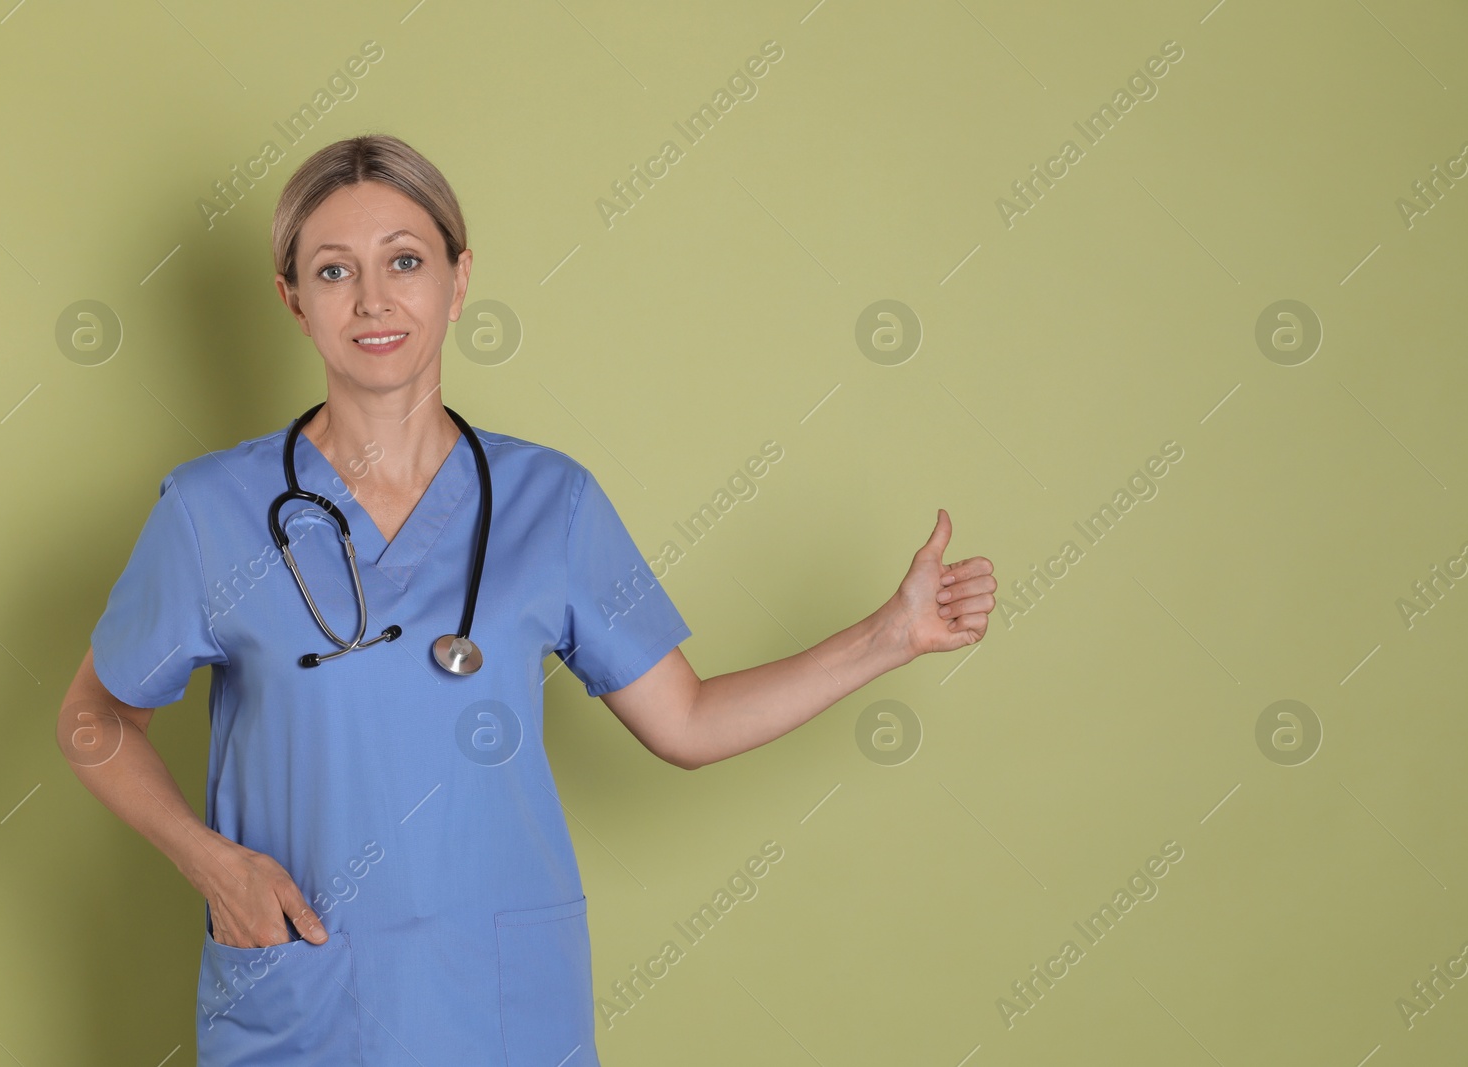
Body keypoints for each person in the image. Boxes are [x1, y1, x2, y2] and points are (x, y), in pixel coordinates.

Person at [55, 133, 996, 1066]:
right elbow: (93, 716)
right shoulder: (211, 511)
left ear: (459, 281)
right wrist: (209, 860)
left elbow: (689, 721)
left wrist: (890, 636)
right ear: (292, 299)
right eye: (334, 270)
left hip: (498, 1011)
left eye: (406, 261)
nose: (375, 298)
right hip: (304, 1000)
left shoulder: (553, 502)